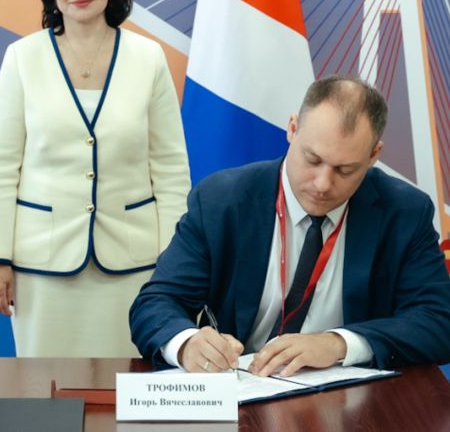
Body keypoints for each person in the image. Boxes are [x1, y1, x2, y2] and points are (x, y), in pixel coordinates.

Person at [130, 78, 450, 376]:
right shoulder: (222, 201)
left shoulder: (405, 212)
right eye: (312, 159)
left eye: (345, 169)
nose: (323, 184)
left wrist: (339, 344)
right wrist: (186, 343)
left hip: (351, 399)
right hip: (243, 387)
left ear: (373, 156)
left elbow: (439, 322)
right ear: (293, 129)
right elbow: (157, 302)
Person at [0, 0, 190, 357]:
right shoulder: (22, 58)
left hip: (134, 266)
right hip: (42, 268)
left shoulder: (148, 58)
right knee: (45, 394)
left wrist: (173, 266)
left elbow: (170, 171)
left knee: (125, 394)